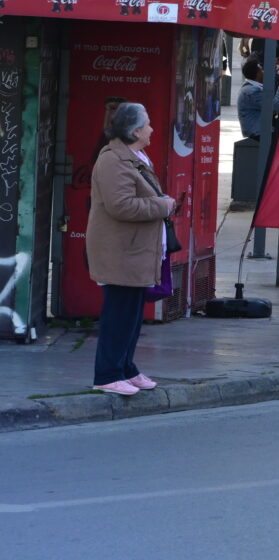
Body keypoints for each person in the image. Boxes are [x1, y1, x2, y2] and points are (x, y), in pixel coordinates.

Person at [86, 102, 174, 395]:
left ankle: (126, 368)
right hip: (120, 252)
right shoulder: (113, 160)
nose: (152, 129)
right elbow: (121, 205)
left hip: (136, 252)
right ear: (135, 131)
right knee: (119, 315)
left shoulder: (135, 156)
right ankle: (107, 375)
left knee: (133, 316)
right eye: (147, 124)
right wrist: (162, 206)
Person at [237, 59, 266, 139]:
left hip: (257, 130)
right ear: (257, 74)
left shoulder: (252, 88)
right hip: (257, 133)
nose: (264, 72)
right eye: (262, 70)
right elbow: (272, 107)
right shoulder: (252, 91)